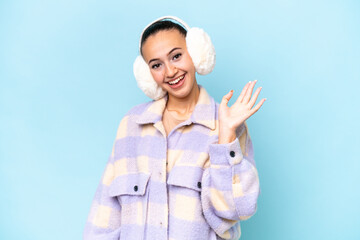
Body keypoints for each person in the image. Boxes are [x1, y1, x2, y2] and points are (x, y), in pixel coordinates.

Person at [83, 16, 266, 240]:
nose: (170, 72)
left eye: (176, 56)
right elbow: (104, 217)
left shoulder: (227, 125)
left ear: (196, 53)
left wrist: (226, 136)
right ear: (147, 74)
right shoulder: (131, 124)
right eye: (157, 65)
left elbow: (237, 209)